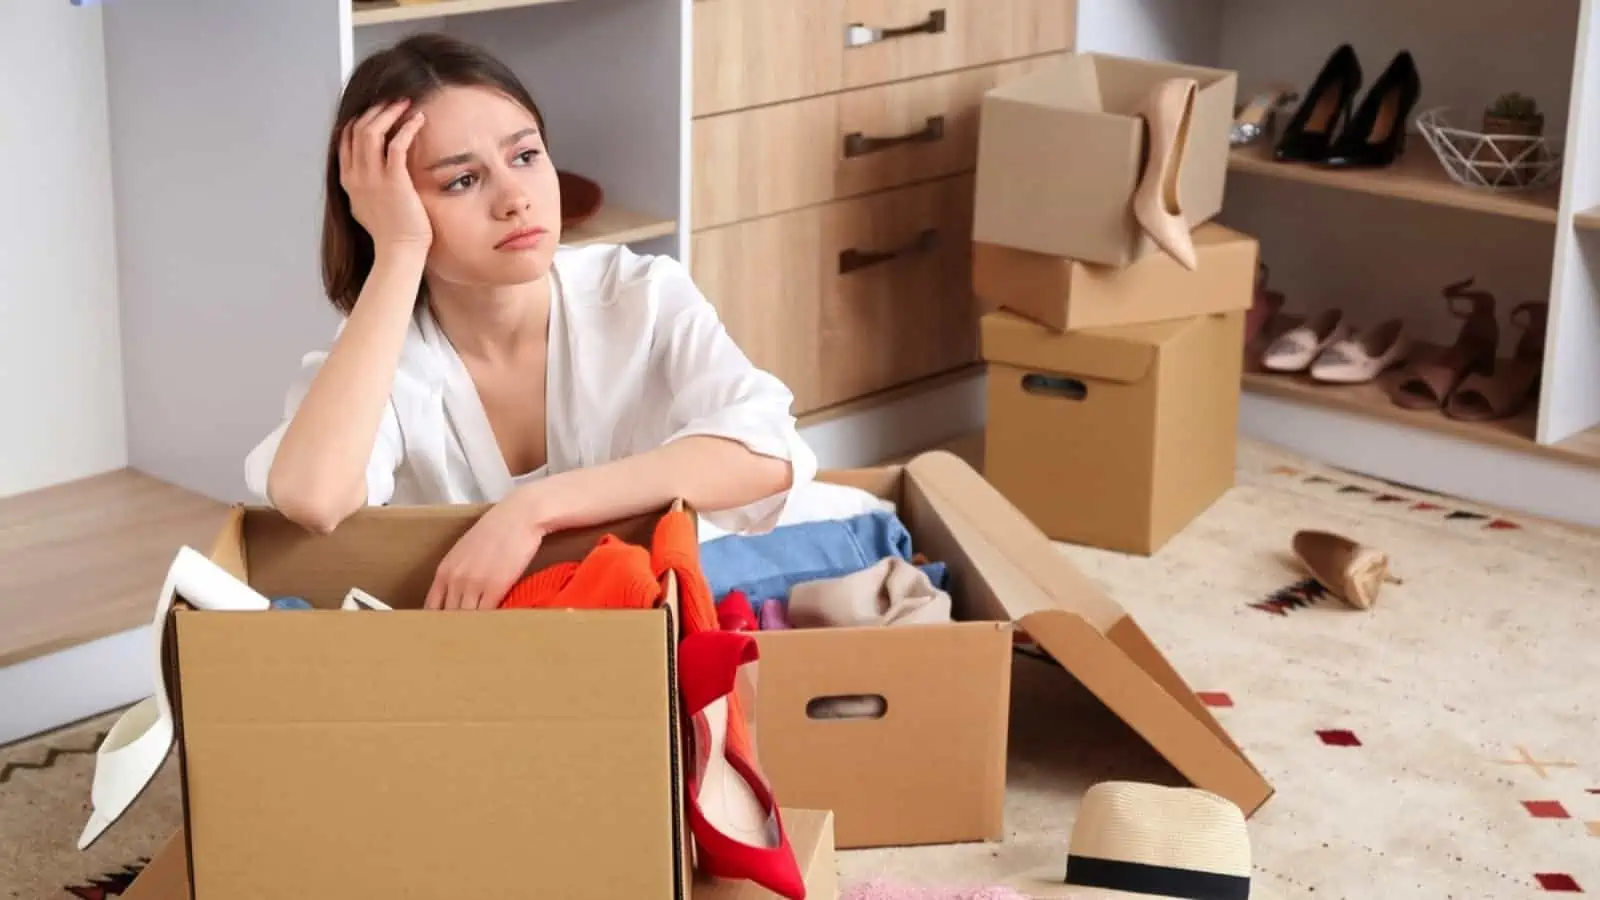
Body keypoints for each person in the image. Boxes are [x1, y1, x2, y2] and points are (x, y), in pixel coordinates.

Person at [243, 33, 816, 611]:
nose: (516, 198)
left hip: (638, 632)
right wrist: (398, 250)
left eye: (525, 155)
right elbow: (312, 497)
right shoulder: (383, 354)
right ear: (386, 208)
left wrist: (533, 511)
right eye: (461, 180)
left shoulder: (639, 294)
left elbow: (770, 449)